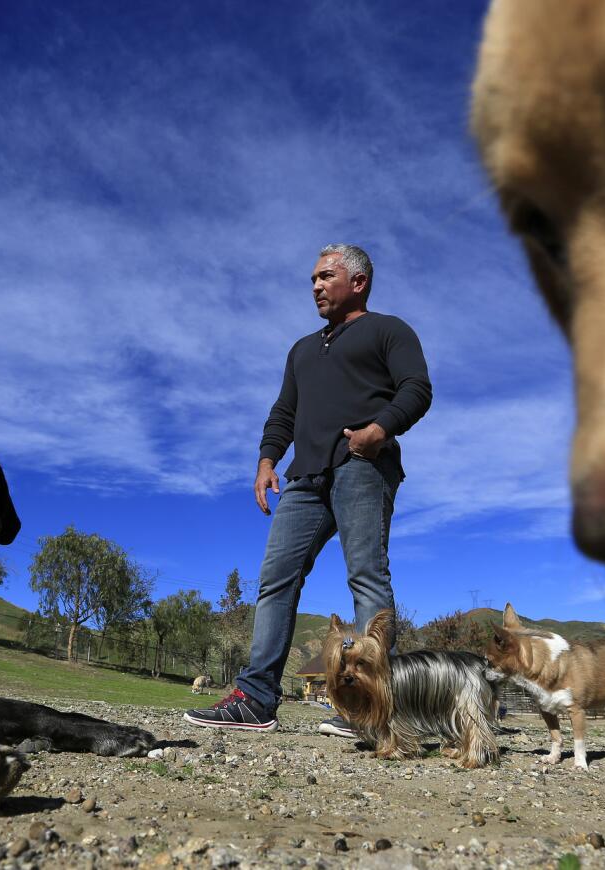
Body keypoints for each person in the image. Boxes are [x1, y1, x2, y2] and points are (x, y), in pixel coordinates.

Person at [184, 243, 432, 734]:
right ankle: (255, 698)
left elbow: (417, 389)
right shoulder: (301, 349)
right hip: (304, 477)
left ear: (357, 282)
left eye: (325, 277)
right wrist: (267, 460)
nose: (316, 286)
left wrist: (378, 431)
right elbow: (284, 413)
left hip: (363, 465)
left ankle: (376, 712)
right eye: (313, 279)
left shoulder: (389, 330)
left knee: (366, 579)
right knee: (275, 578)